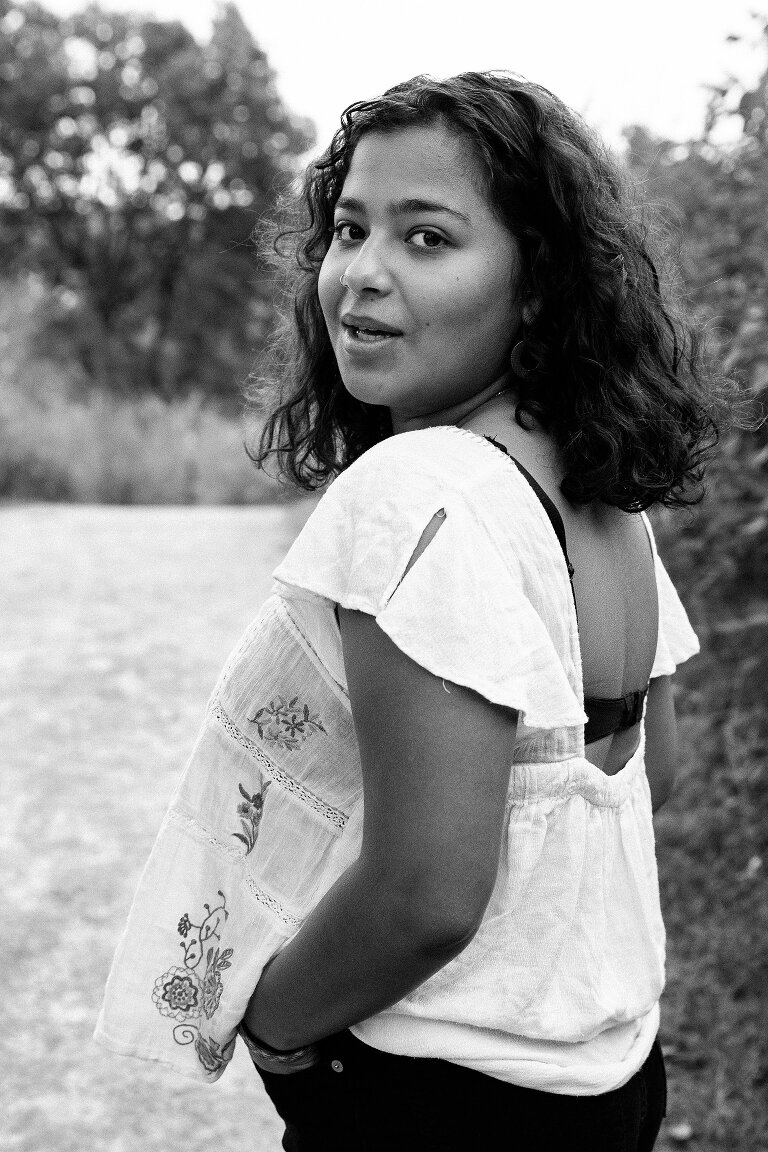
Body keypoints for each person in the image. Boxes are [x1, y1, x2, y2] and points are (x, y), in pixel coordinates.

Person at [95, 73, 721, 1151]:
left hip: (440, 1097)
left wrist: (283, 1024)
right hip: (607, 1078)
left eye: (427, 239)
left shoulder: (420, 490)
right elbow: (647, 773)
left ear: (537, 286)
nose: (361, 276)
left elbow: (429, 892)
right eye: (348, 229)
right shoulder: (605, 503)